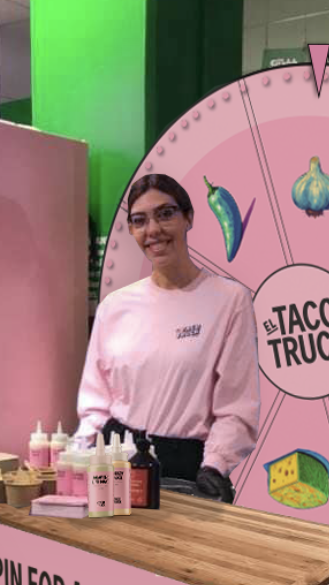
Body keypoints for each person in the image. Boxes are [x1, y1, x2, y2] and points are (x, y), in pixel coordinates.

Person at [75, 173, 260, 503]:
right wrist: (77, 454)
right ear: (132, 230)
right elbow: (95, 404)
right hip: (115, 464)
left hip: (186, 471)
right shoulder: (114, 307)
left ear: (188, 217)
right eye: (139, 221)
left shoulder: (230, 300)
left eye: (165, 214)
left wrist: (215, 465)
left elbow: (236, 405)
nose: (153, 230)